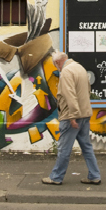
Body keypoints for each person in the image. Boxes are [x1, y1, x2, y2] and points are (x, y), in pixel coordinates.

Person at [42, 51, 101, 185]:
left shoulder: (67, 72)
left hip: (72, 116)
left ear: (57, 62)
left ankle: (56, 177)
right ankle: (94, 175)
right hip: (85, 114)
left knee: (64, 149)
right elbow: (87, 90)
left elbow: (70, 95)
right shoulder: (80, 68)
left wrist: (73, 116)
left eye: (54, 64)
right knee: (86, 147)